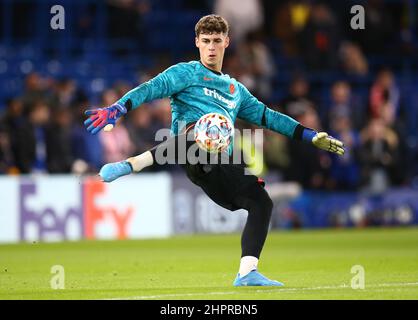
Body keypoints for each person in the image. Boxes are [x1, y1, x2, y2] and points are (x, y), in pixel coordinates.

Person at [84, 14, 344, 287]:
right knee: (207, 128)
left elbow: (268, 117)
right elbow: (151, 89)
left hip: (224, 164)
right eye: (205, 41)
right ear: (197, 42)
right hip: (189, 150)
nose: (211, 47)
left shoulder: (235, 90)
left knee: (261, 202)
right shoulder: (186, 73)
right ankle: (131, 165)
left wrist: (309, 135)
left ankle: (247, 272)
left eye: (216, 41)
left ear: (226, 42)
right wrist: (119, 107)